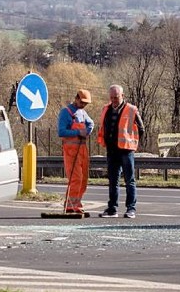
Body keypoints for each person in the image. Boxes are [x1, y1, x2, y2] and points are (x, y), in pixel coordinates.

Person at [97, 84, 145, 219]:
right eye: (111, 97)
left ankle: (131, 209)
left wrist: (133, 142)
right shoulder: (106, 109)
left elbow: (141, 129)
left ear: (122, 96)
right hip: (112, 150)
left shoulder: (131, 110)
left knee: (129, 180)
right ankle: (112, 208)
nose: (114, 100)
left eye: (116, 97)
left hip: (126, 150)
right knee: (113, 180)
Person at [57, 89, 94, 214]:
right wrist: (78, 132)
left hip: (82, 150)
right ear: (76, 98)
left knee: (83, 179)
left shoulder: (83, 113)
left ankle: (77, 203)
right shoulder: (66, 112)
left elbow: (91, 124)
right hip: (71, 151)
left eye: (85, 104)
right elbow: (61, 131)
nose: (83, 105)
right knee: (76, 179)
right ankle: (70, 205)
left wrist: (87, 132)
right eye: (82, 102)